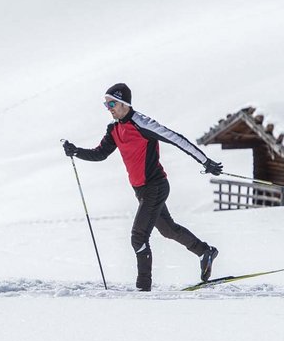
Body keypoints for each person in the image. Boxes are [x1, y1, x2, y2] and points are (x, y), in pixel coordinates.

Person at [62, 83, 223, 291]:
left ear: (125, 103)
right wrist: (76, 151)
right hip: (141, 190)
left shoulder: (142, 124)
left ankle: (143, 289)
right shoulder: (114, 129)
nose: (109, 108)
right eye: (106, 104)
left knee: (138, 236)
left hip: (155, 186)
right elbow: (100, 154)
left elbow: (175, 138)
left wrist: (205, 161)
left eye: (112, 103)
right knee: (168, 230)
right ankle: (205, 252)